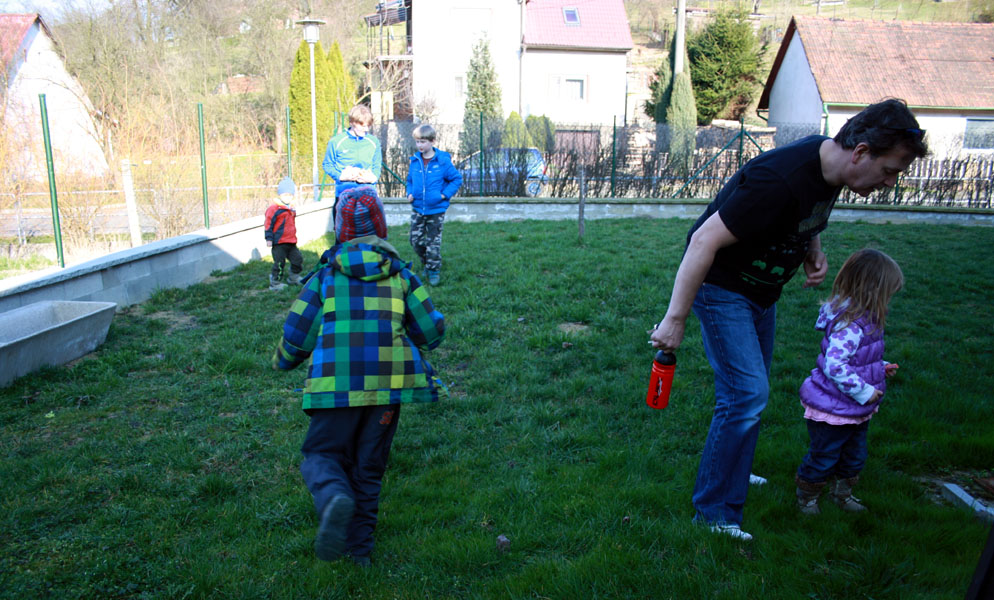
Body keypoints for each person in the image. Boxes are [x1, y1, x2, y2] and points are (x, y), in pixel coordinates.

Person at [648, 98, 928, 541]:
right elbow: (701, 240)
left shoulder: (831, 171)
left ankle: (732, 469)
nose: (890, 182)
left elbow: (807, 215)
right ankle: (714, 514)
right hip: (723, 289)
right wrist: (675, 319)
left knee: (748, 395)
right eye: (889, 170)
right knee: (746, 395)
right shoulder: (777, 180)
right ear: (860, 152)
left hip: (762, 293)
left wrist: (813, 250)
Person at [272, 185, 446, 566]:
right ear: (381, 229)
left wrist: (283, 360)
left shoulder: (324, 278)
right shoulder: (402, 277)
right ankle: (359, 553)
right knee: (368, 469)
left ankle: (333, 495)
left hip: (335, 389)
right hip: (387, 390)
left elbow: (298, 332)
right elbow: (431, 334)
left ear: (339, 232)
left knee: (320, 454)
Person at [794, 249, 902, 515]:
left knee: (854, 455)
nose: (889, 301)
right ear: (873, 291)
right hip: (834, 408)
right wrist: (865, 391)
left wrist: (879, 367)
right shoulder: (850, 325)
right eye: (888, 294)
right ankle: (807, 497)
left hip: (853, 408)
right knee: (825, 455)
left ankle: (842, 494)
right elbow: (835, 366)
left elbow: (859, 359)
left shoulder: (867, 319)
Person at [405, 123, 462, 285]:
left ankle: (433, 270)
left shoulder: (442, 161)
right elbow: (409, 181)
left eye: (423, 142)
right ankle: (427, 262)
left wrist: (444, 195)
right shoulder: (415, 161)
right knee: (415, 240)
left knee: (433, 243)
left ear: (432, 141)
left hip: (436, 209)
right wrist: (409, 193)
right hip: (418, 208)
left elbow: (456, 179)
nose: (420, 145)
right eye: (418, 141)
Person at [322, 104, 382, 218]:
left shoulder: (373, 142)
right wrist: (341, 176)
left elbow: (377, 165)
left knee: (369, 229)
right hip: (344, 195)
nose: (366, 129)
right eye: (362, 126)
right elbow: (327, 165)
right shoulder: (336, 142)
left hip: (367, 196)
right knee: (343, 229)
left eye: (368, 126)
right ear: (352, 123)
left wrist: (373, 178)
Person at [264, 177, 303, 290]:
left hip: (291, 241)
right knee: (279, 263)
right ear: (280, 194)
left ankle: (293, 277)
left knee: (297, 259)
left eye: (290, 195)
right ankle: (275, 283)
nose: (288, 197)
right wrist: (269, 238)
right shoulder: (274, 209)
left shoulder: (291, 209)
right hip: (279, 243)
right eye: (285, 195)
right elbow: (268, 224)